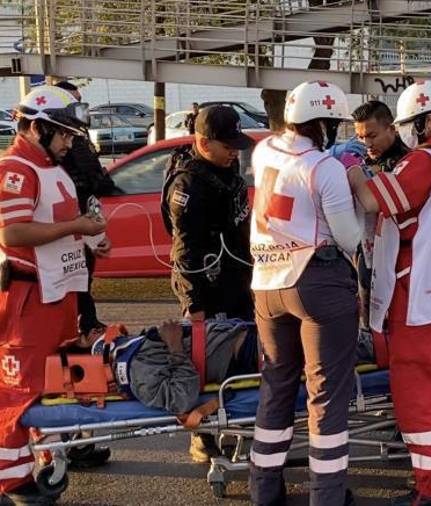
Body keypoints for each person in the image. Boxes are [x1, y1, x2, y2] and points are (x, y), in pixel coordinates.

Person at [347, 80, 431, 506]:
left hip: (414, 290)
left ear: (429, 121)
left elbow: (370, 200)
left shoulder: (424, 162)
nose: (404, 135)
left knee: (417, 391)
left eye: (407, 126)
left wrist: (348, 171)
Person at [248, 80, 361, 506]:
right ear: (322, 124)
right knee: (326, 395)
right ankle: (326, 497)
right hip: (318, 283)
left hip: (266, 283)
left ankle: (264, 491)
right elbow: (349, 238)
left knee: (276, 384)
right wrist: (353, 185)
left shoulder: (263, 151)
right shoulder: (324, 167)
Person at [0, 86, 107, 505]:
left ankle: (52, 454)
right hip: (29, 298)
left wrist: (89, 238)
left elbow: (58, 224)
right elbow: (13, 233)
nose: (69, 142)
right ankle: (11, 480)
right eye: (62, 133)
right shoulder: (15, 168)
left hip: (59, 293)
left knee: (59, 384)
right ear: (36, 128)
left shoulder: (52, 168)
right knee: (18, 390)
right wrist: (75, 227)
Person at [161, 105, 255, 461]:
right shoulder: (188, 185)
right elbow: (184, 251)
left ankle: (239, 423)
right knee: (206, 364)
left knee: (244, 360)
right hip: (205, 287)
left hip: (238, 280)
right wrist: (194, 306)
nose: (235, 150)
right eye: (227, 144)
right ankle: (202, 437)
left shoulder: (228, 170)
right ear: (203, 141)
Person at [74, 318, 258, 415]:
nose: (93, 329)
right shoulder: (137, 376)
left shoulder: (132, 351)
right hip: (242, 352)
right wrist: (175, 345)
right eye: (84, 335)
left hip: (240, 335)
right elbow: (182, 400)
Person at [53, 81, 119, 340]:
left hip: (84, 216)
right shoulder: (70, 143)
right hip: (72, 222)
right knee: (76, 279)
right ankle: (85, 325)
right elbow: (92, 179)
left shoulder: (77, 139)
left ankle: (86, 323)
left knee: (82, 277)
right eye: (74, 100)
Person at [350, 100, 410, 332]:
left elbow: (374, 204)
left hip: (399, 255)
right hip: (367, 253)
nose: (367, 143)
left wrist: (356, 176)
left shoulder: (406, 163)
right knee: (370, 324)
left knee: (397, 325)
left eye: (372, 136)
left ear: (391, 129)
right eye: (360, 137)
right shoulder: (365, 160)